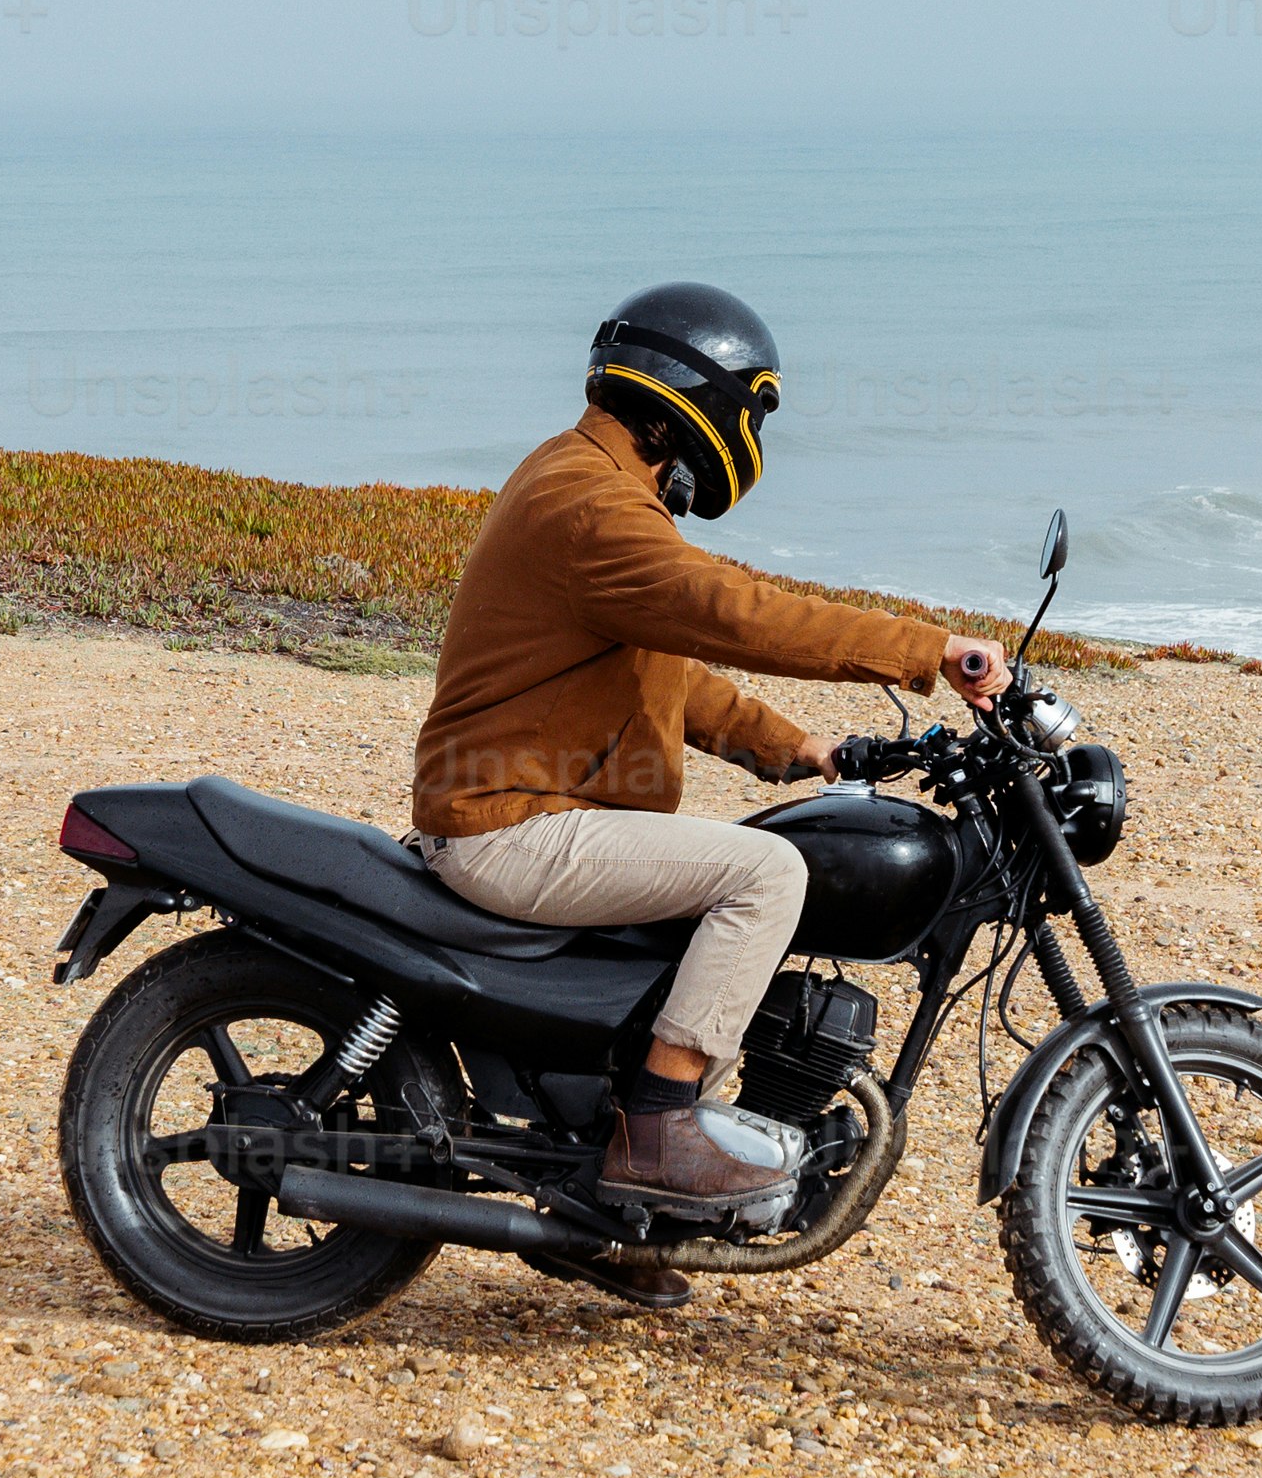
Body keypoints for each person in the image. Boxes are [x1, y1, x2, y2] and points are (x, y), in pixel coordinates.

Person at [410, 282, 1003, 1211]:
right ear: (697, 403)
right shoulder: (592, 509)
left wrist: (800, 748)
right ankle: (656, 1135)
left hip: (531, 812)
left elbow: (668, 672)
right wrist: (924, 647)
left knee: (726, 893)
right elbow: (731, 611)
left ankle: (632, 1212)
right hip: (512, 825)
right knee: (765, 874)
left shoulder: (583, 479)